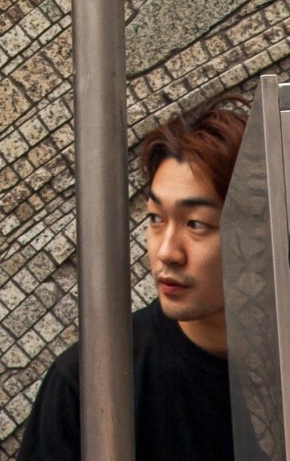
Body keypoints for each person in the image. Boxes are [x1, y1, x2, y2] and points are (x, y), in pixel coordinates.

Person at [18, 96, 243, 461]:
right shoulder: (89, 384)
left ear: (258, 229)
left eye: (196, 224)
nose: (167, 251)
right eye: (155, 218)